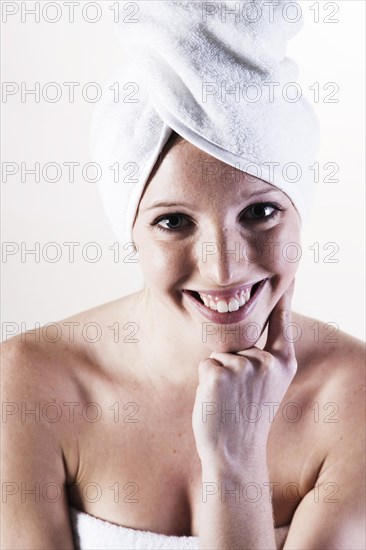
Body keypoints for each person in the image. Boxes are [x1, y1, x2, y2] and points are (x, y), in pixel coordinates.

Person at [2, 2, 365, 549]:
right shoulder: (26, 383)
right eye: (173, 221)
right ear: (130, 231)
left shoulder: (356, 398)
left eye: (260, 212)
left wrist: (236, 463)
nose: (224, 267)